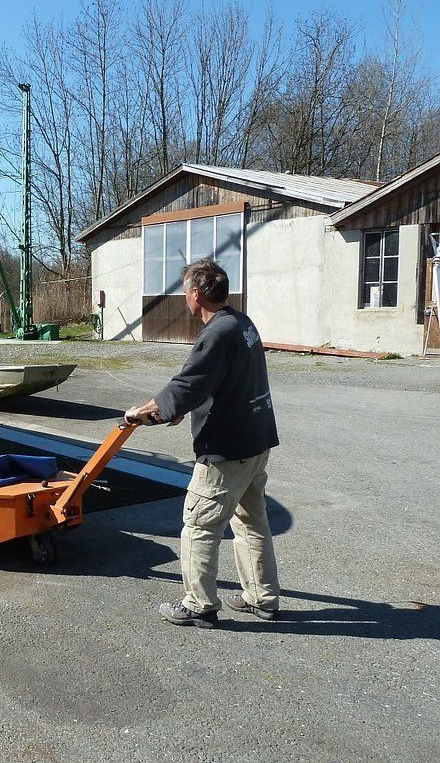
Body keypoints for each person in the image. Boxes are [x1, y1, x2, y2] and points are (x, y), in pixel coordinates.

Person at [125, 258, 280, 629]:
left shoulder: (216, 334)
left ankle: (199, 605)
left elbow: (187, 384)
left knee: (199, 525)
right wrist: (180, 408)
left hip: (226, 449)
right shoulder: (241, 323)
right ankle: (262, 598)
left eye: (185, 293)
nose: (185, 299)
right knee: (251, 522)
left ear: (196, 294)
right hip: (256, 440)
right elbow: (218, 381)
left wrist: (146, 411)